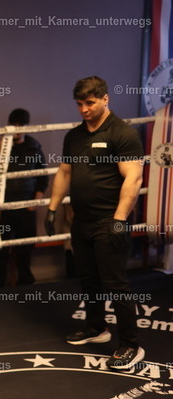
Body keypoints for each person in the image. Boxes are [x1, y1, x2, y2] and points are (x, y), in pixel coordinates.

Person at [45, 76, 145, 370]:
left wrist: (119, 220)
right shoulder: (74, 136)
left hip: (109, 221)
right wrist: (52, 209)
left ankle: (130, 344)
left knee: (115, 284)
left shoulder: (122, 133)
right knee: (88, 279)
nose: (84, 109)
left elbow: (133, 178)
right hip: (82, 221)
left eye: (89, 103)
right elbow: (64, 173)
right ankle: (96, 328)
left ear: (105, 99)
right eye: (79, 104)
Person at [0, 108, 48, 287]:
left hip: (25, 206)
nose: (17, 129)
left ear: (27, 127)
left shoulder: (34, 146)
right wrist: (1, 145)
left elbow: (43, 177)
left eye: (21, 125)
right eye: (14, 125)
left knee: (25, 248)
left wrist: (35, 201)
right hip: (1, 206)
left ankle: (25, 284)